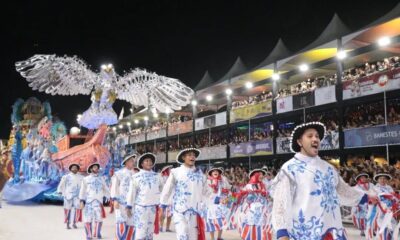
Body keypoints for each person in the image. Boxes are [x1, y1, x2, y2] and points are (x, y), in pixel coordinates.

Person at [271, 122, 377, 240]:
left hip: (332, 231)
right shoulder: (289, 169)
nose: (315, 139)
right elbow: (280, 202)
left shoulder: (328, 168)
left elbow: (342, 190)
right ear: (299, 142)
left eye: (317, 136)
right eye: (310, 136)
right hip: (305, 233)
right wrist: (282, 232)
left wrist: (365, 198)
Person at [160, 148, 213, 240]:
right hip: (180, 210)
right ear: (183, 157)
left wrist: (220, 198)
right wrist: (163, 204)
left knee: (193, 237)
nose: (192, 157)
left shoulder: (200, 174)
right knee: (183, 235)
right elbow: (167, 189)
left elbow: (207, 191)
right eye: (189, 155)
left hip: (195, 211)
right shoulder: (176, 172)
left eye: (194, 155)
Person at [126, 152, 163, 240]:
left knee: (149, 233)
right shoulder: (136, 177)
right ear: (142, 164)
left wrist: (161, 202)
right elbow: (132, 193)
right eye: (146, 161)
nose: (149, 162)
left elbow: (162, 189)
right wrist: (129, 206)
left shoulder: (157, 176)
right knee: (140, 232)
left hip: (153, 208)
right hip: (140, 208)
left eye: (150, 161)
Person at [232, 169, 273, 240]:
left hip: (263, 210)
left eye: (262, 174)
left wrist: (268, 196)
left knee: (264, 226)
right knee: (251, 227)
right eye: (260, 174)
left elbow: (268, 196)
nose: (262, 176)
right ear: (255, 175)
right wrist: (229, 199)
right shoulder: (249, 186)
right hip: (252, 210)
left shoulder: (263, 185)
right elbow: (239, 195)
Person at [79, 162, 110, 240]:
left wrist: (108, 196)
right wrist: (82, 200)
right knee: (88, 219)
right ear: (91, 169)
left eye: (97, 167)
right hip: (89, 202)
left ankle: (97, 233)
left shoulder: (101, 178)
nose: (96, 169)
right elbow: (82, 190)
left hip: (98, 201)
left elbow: (106, 188)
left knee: (99, 218)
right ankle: (89, 235)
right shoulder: (86, 179)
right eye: (95, 167)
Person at [110, 153, 137, 240]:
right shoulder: (119, 174)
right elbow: (114, 187)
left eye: (133, 161)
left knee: (131, 225)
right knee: (121, 226)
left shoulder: (137, 174)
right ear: (125, 163)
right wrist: (115, 200)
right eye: (130, 161)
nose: (133, 163)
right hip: (120, 203)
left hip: (132, 204)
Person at [205, 167, 231, 240]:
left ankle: (219, 237)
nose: (215, 172)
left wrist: (228, 199)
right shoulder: (208, 181)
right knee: (211, 222)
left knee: (221, 221)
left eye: (217, 171)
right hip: (211, 204)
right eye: (213, 171)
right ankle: (212, 238)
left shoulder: (223, 180)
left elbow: (228, 191)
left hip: (221, 204)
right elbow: (206, 193)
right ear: (211, 173)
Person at [57, 163, 84, 229]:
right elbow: (61, 184)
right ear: (70, 169)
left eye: (76, 168)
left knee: (76, 209)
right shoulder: (66, 177)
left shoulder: (82, 177)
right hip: (68, 195)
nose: (74, 169)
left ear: (78, 169)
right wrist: (59, 191)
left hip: (77, 196)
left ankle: (74, 223)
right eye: (73, 168)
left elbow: (84, 187)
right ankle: (67, 223)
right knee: (68, 209)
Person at [351, 172, 375, 236]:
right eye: (362, 177)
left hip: (370, 204)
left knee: (371, 217)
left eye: (364, 177)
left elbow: (374, 192)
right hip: (361, 204)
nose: (363, 178)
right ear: (359, 179)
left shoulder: (371, 185)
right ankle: (362, 231)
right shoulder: (356, 187)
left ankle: (372, 229)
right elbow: (355, 196)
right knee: (362, 218)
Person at [159, 165, 173, 232]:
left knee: (169, 215)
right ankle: (161, 226)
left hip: (170, 199)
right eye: (169, 169)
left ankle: (167, 227)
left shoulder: (173, 178)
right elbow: (159, 187)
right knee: (162, 214)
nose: (170, 170)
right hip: (162, 199)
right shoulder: (161, 177)